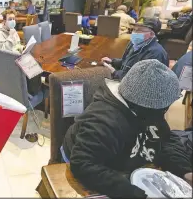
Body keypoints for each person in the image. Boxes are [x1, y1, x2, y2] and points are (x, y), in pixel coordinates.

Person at [62, 60, 192, 198]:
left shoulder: (146, 109)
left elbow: (165, 138)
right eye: (164, 108)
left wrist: (184, 171)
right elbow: (83, 164)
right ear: (146, 106)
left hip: (124, 161)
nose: (165, 112)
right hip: (83, 165)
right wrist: (132, 193)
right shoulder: (104, 121)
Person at [101, 17, 168, 79]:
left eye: (139, 30)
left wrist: (115, 72)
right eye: (134, 29)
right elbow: (127, 63)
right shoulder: (134, 44)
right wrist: (112, 61)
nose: (135, 33)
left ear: (151, 34)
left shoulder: (156, 54)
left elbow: (141, 81)